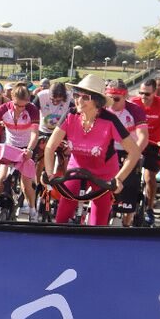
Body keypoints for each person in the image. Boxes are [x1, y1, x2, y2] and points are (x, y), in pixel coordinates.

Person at [43, 75, 141, 226]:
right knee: (61, 216)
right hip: (76, 169)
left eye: (85, 97)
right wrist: (50, 174)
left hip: (104, 173)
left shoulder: (110, 120)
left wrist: (119, 179)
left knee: (98, 222)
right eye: (76, 96)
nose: (79, 101)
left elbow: (134, 152)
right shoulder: (70, 115)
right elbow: (50, 146)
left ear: (97, 101)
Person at [0, 84, 39, 221]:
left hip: (26, 148)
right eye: (16, 104)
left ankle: (33, 210)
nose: (19, 108)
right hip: (10, 147)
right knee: (1, 181)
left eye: (23, 106)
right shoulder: (3, 109)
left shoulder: (32, 110)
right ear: (11, 98)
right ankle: (0, 205)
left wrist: (30, 149)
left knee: (26, 184)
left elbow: (35, 134)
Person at [131, 79, 160, 225]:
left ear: (155, 92)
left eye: (147, 94)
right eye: (141, 93)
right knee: (129, 175)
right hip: (136, 143)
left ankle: (149, 208)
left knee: (150, 178)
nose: (143, 96)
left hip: (154, 145)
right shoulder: (134, 102)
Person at [105, 80, 149, 226]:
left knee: (130, 184)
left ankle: (127, 220)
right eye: (109, 98)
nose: (112, 103)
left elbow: (143, 137)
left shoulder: (135, 110)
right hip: (108, 149)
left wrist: (134, 154)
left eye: (116, 99)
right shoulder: (103, 108)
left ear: (125, 97)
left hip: (128, 150)